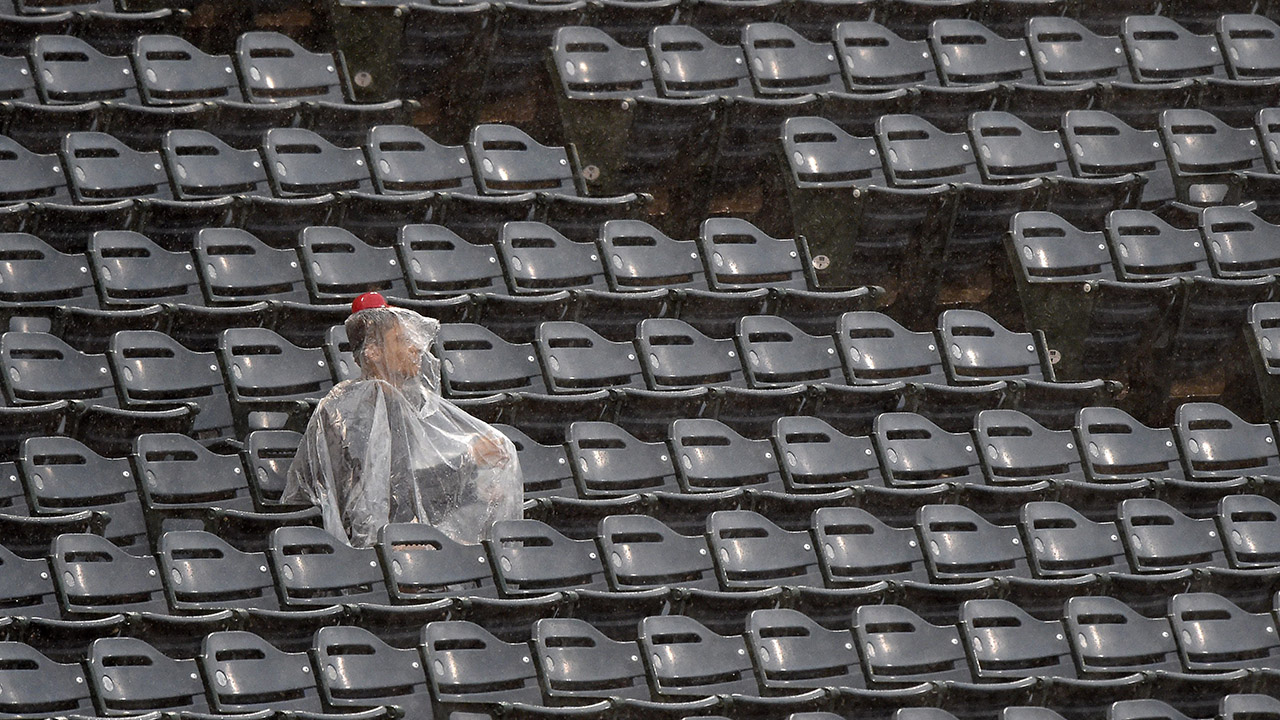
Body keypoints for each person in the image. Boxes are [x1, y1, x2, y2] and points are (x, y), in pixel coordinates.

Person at [282, 292, 522, 547]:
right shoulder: (344, 411)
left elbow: (417, 496)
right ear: (373, 351)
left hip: (399, 541)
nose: (416, 347)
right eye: (402, 339)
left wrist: (476, 489)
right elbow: (378, 501)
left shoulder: (405, 406)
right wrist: (468, 460)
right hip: (357, 551)